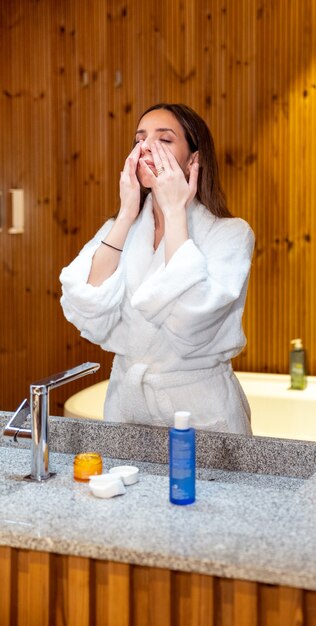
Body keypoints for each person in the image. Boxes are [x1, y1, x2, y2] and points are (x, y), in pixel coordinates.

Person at [60, 103, 254, 434]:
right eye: (140, 139)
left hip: (203, 414)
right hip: (127, 408)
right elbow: (87, 305)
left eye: (164, 139)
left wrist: (175, 211)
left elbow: (191, 319)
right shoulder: (121, 229)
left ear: (194, 159)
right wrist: (124, 215)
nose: (147, 146)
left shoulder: (230, 234)